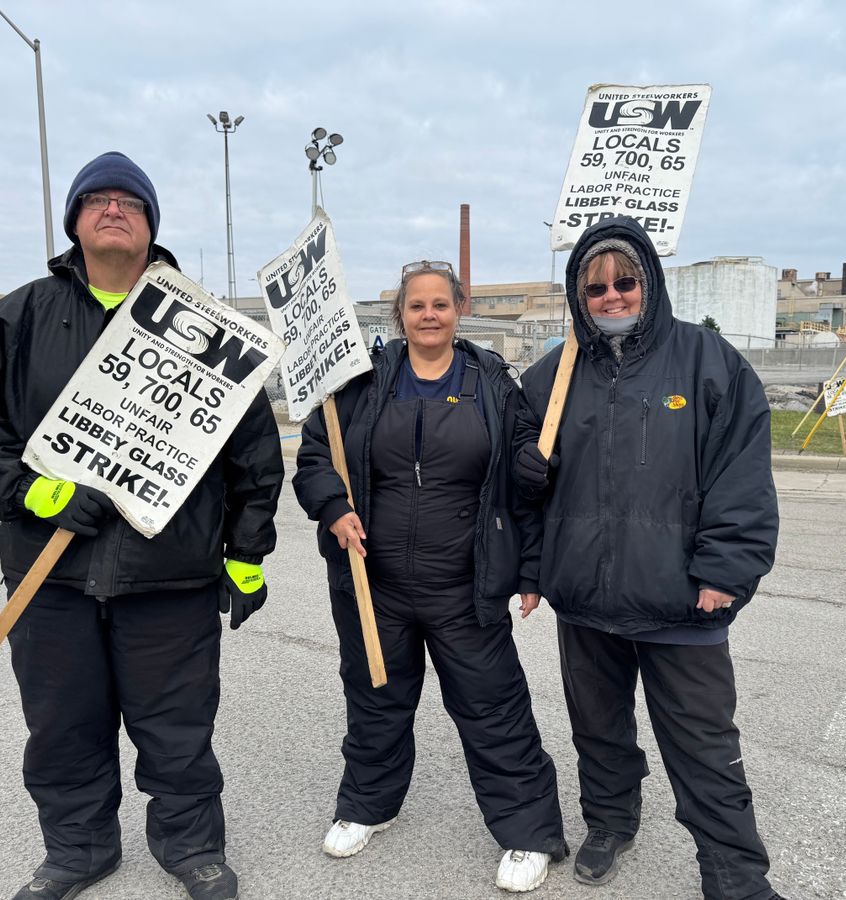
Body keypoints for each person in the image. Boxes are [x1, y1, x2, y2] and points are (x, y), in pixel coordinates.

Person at [0, 151, 283, 900]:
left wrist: (246, 554)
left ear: (152, 226)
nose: (113, 208)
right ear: (75, 223)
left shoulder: (209, 331)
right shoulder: (20, 317)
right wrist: (32, 493)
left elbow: (252, 455)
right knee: (62, 727)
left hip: (171, 576)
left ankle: (190, 846)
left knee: (177, 729)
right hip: (50, 576)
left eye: (130, 201)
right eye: (96, 199)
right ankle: (79, 850)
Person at [512, 217, 788, 900]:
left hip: (680, 604)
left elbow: (742, 477)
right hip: (584, 601)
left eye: (624, 281)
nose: (611, 296)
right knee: (598, 732)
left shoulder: (709, 363)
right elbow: (520, 495)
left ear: (648, 284)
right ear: (580, 295)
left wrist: (725, 571)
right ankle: (609, 822)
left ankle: (735, 876)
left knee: (704, 748)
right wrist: (527, 524)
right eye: (596, 285)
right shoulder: (551, 376)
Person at [293, 260, 568, 892]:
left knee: (494, 707)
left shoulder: (494, 384)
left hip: (465, 587)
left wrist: (533, 492)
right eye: (416, 305)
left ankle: (529, 833)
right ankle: (368, 805)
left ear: (458, 308)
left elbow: (527, 482)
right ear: (401, 314)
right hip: (374, 583)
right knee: (375, 701)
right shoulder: (361, 384)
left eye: (440, 304)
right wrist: (334, 508)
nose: (429, 315)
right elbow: (316, 457)